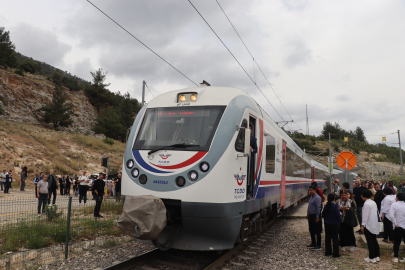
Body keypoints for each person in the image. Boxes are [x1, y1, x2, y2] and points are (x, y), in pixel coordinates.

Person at [361, 189, 380, 263]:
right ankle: (377, 256)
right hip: (374, 224)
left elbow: (365, 216)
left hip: (368, 225)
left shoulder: (366, 204)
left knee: (370, 241)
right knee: (374, 240)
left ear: (363, 196)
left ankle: (372, 257)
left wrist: (363, 225)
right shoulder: (373, 202)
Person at [322, 193, 341, 257]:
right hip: (334, 224)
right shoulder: (335, 206)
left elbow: (323, 215)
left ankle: (328, 252)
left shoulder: (326, 206)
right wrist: (339, 221)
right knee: (335, 238)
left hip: (327, 223)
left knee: (328, 238)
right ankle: (335, 253)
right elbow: (338, 216)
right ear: (334, 198)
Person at [389, 193, 405, 263]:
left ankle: (395, 257)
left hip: (398, 227)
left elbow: (391, 216)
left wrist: (395, 224)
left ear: (397, 198)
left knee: (396, 242)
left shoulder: (394, 205)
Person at [306, 186, 322, 250]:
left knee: (317, 231)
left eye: (311, 190)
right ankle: (313, 243)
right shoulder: (311, 197)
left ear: (315, 190)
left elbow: (318, 208)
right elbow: (309, 206)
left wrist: (317, 216)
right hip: (311, 216)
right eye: (309, 190)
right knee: (311, 230)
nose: (310, 191)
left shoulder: (317, 198)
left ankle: (318, 245)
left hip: (315, 216)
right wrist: (308, 214)